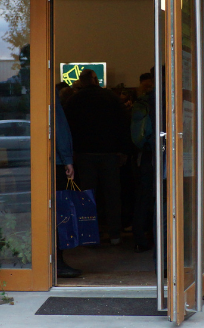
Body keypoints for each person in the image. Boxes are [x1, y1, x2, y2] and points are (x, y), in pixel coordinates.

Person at [64, 69, 132, 244]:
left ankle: (90, 235)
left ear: (81, 81)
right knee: (112, 195)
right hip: (109, 153)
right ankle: (115, 234)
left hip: (84, 154)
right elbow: (123, 124)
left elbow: (68, 128)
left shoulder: (74, 100)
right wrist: (123, 150)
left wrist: (71, 153)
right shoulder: (110, 98)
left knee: (87, 196)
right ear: (95, 80)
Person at [54, 95, 81, 278]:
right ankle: (57, 262)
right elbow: (59, 127)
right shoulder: (48, 90)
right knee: (59, 212)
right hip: (53, 161)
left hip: (28, 160)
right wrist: (67, 159)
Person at [130, 72, 156, 252]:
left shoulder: (140, 104)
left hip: (146, 154)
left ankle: (140, 238)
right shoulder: (162, 101)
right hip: (158, 152)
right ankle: (160, 238)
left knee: (144, 198)